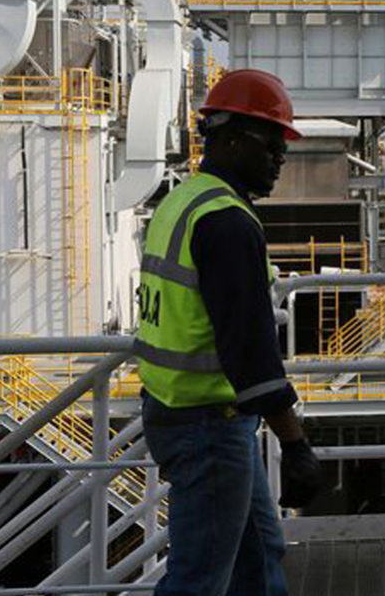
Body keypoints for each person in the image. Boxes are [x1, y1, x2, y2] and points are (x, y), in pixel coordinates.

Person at [134, 69, 323, 596]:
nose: (279, 160)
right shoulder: (227, 223)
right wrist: (295, 444)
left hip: (178, 410)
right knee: (199, 580)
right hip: (208, 427)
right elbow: (251, 353)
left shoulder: (181, 202)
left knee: (258, 556)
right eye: (271, 145)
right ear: (233, 138)